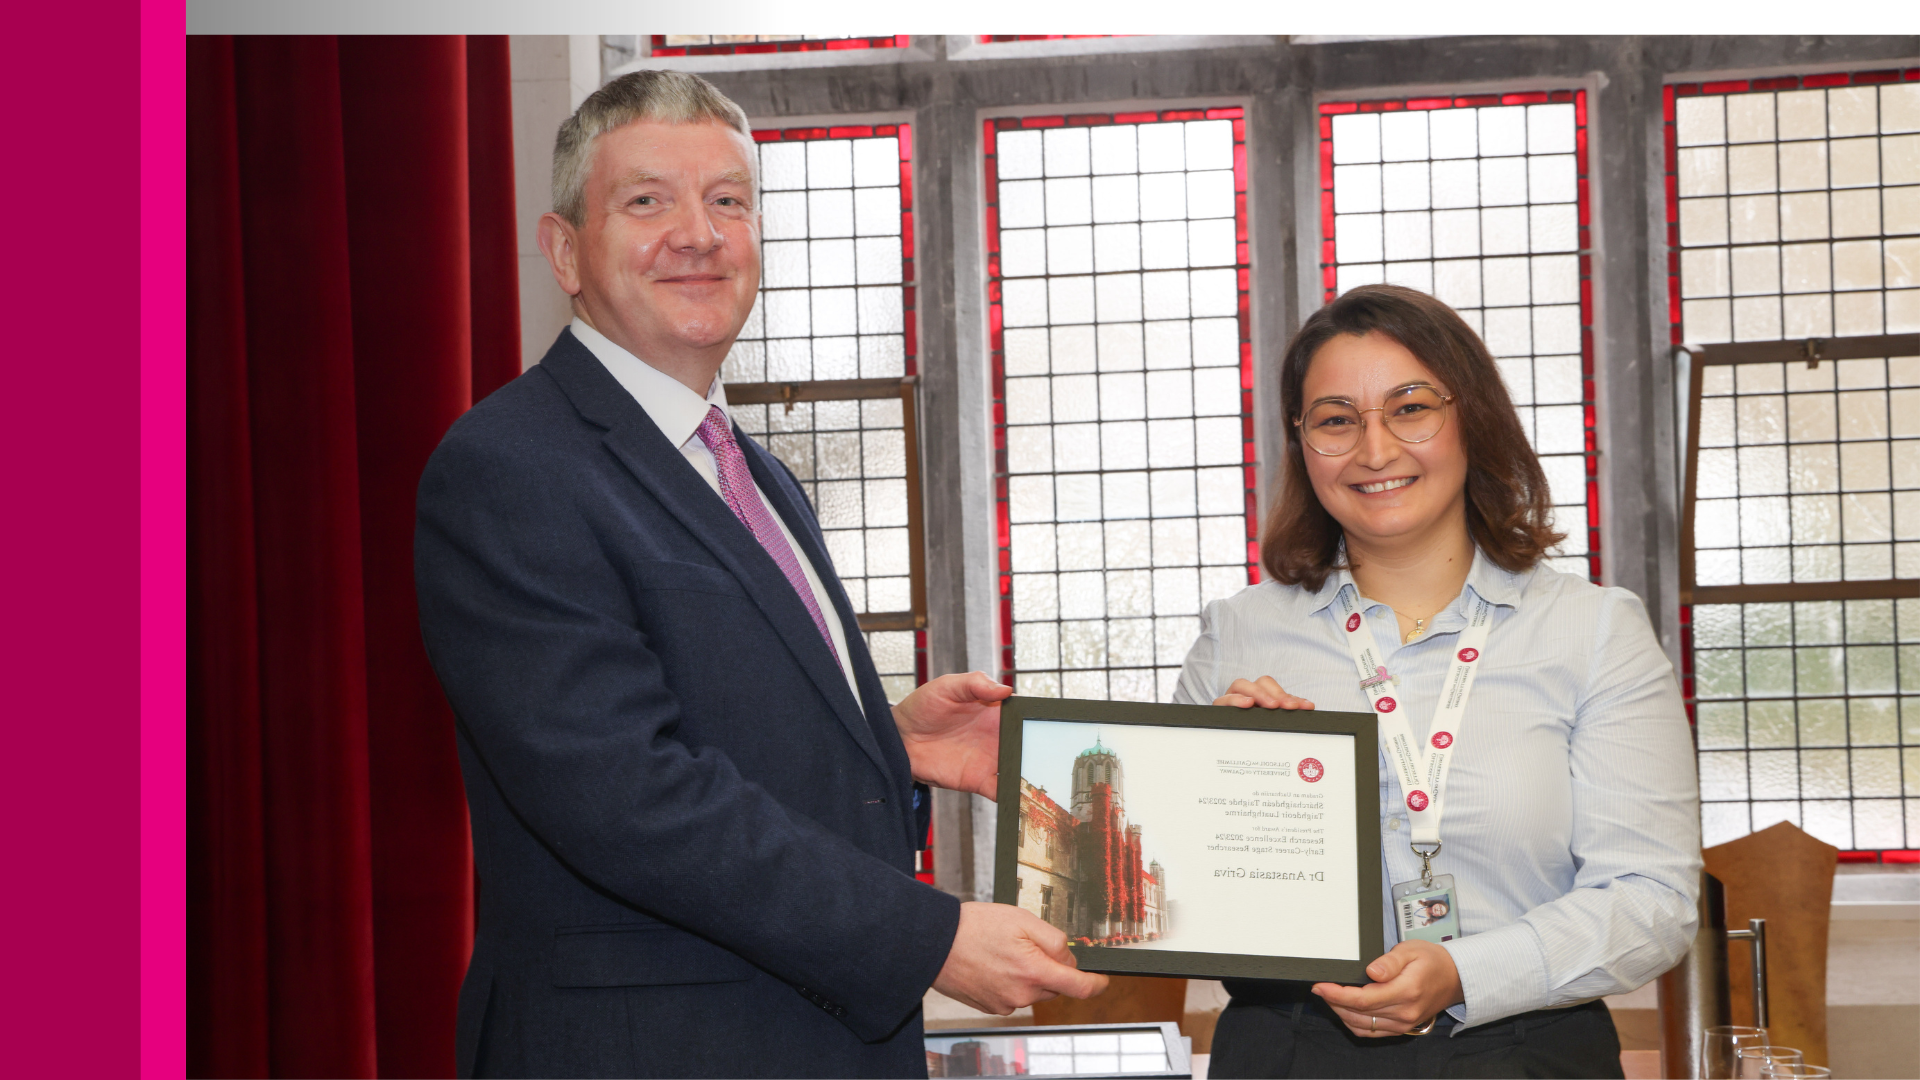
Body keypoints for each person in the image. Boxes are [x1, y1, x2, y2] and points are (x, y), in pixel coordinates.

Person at [415, 71, 1105, 1079]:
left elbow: (708, 717)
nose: (697, 233)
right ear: (564, 250)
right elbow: (625, 795)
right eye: (647, 200)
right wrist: (931, 935)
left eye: (727, 201)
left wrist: (884, 741)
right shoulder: (510, 468)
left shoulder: (753, 471)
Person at [1173, 284, 1700, 1078]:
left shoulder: (1593, 630)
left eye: (1410, 407)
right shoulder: (1239, 633)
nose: (1374, 449)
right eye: (1336, 419)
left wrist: (1466, 972)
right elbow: (1167, 896)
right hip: (1285, 1051)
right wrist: (1218, 792)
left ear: (1472, 419)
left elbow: (1653, 901)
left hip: (1526, 1050)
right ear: (1301, 441)